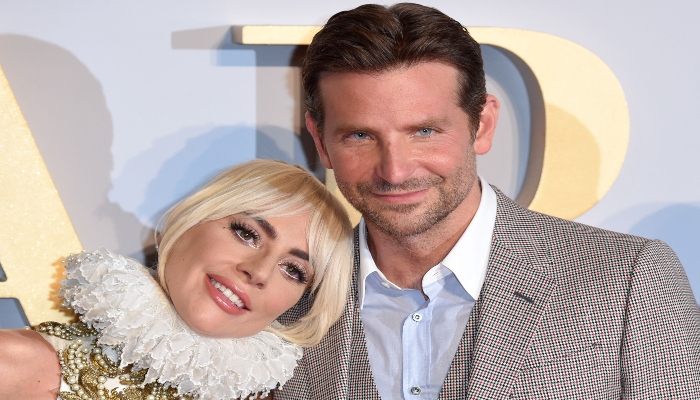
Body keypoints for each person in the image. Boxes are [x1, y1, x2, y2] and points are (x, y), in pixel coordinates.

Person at [276, 3, 700, 399]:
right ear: (321, 143)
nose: (395, 171)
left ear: (483, 125)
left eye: (424, 132)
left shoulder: (628, 281)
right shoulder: (283, 297)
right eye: (360, 136)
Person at [0, 159, 353, 400]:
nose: (259, 272)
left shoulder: (285, 390)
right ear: (188, 223)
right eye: (247, 233)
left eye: (293, 270)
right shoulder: (13, 363)